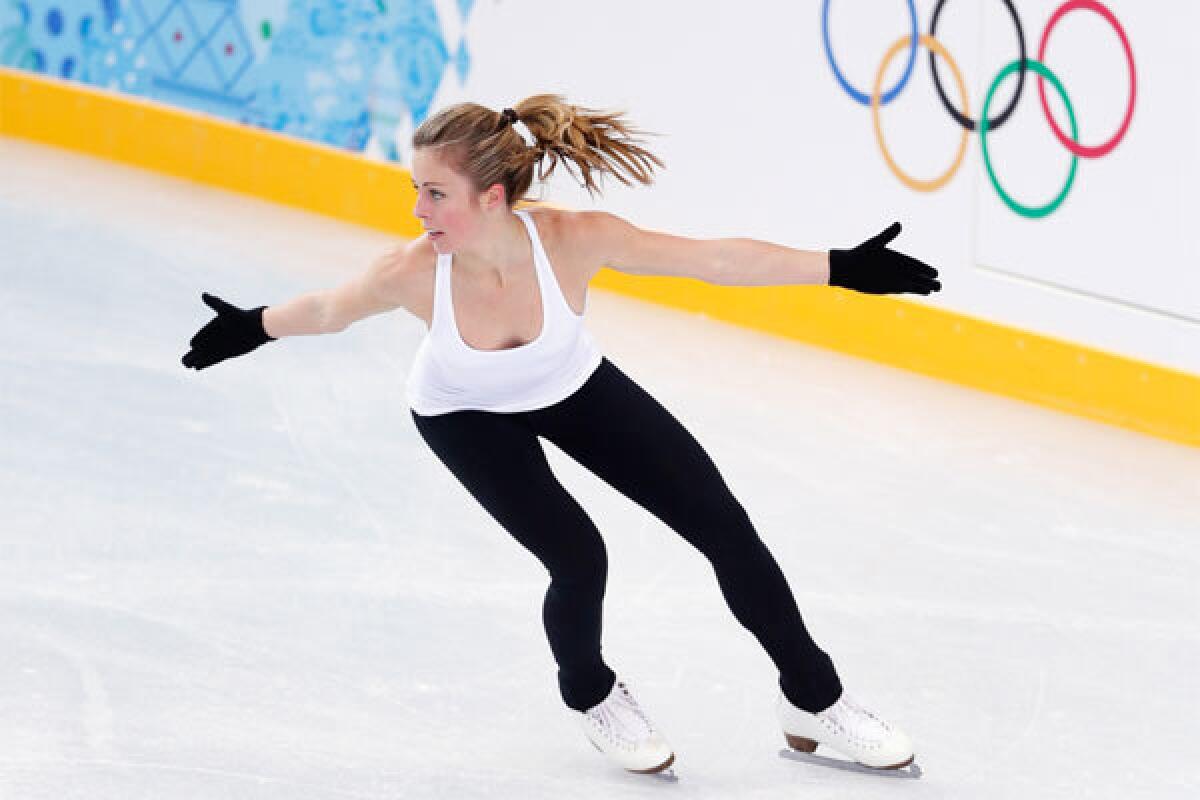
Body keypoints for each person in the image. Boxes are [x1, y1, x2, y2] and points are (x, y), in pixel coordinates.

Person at [181, 95, 939, 775]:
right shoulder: (413, 272)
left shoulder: (573, 240)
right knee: (579, 556)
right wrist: (251, 327)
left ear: (495, 197)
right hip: (462, 415)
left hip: (570, 385)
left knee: (725, 526)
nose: (417, 209)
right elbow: (325, 310)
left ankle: (813, 698)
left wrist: (839, 266)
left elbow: (714, 260)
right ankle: (592, 694)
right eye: (415, 189)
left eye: (435, 193)